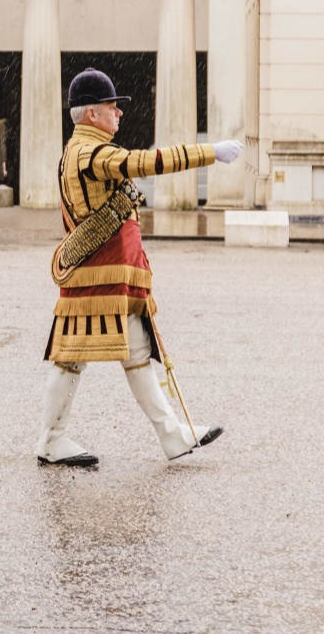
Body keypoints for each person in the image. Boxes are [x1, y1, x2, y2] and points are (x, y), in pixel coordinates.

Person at [36, 67, 239, 467]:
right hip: (102, 278)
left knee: (116, 356)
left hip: (103, 276)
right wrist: (210, 152)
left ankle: (169, 436)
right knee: (88, 357)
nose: (119, 113)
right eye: (113, 106)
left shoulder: (77, 151)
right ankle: (53, 439)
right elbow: (149, 162)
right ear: (92, 113)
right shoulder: (92, 153)